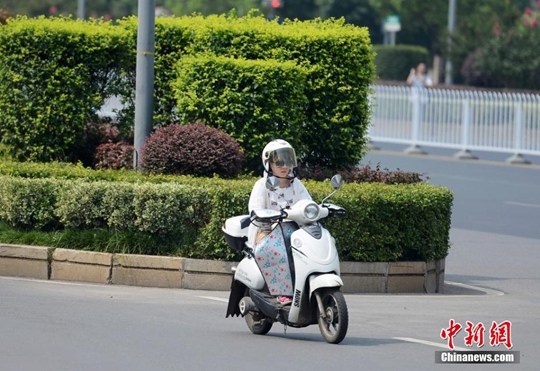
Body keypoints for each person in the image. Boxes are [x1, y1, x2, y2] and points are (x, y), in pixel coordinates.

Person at [247, 139, 312, 305]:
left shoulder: (296, 185)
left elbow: (307, 203)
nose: (284, 166)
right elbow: (255, 208)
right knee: (275, 249)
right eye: (279, 163)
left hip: (294, 230)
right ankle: (282, 292)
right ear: (269, 164)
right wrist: (268, 216)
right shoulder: (262, 185)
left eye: (288, 162)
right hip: (267, 230)